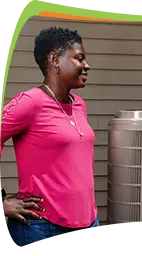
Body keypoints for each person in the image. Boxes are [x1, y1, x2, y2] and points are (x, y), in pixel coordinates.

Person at [0, 26, 99, 248]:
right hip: (43, 226)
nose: (87, 65)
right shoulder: (30, 102)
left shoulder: (79, 105)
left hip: (88, 222)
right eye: (79, 58)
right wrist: (1, 201)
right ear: (54, 59)